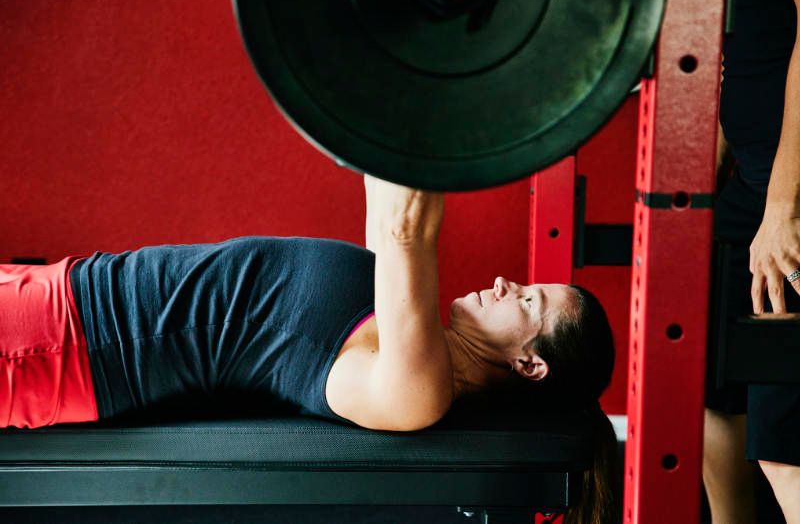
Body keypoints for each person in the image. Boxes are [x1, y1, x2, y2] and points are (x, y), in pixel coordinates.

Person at [0, 175, 616, 522]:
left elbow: (408, 225)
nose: (509, 283)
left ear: (530, 365)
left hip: (65, 344)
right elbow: (390, 187)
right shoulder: (405, 325)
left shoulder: (415, 388)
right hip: (66, 296)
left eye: (529, 301)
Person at [704, 0, 800, 522]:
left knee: (783, 443)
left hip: (789, 201)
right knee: (713, 384)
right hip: (746, 190)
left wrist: (783, 208)